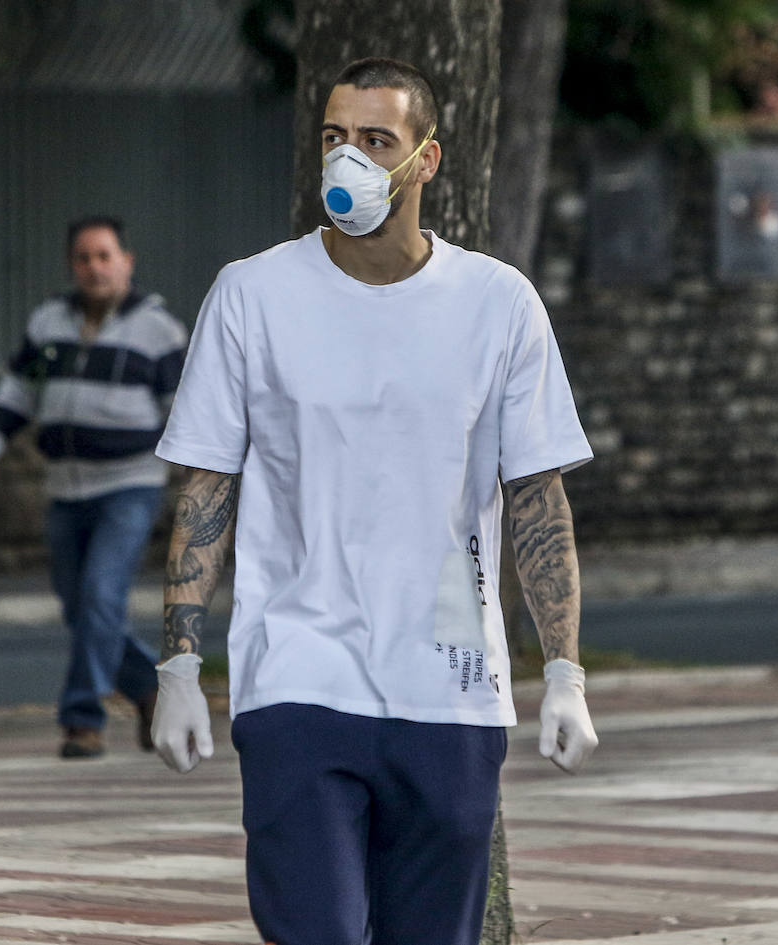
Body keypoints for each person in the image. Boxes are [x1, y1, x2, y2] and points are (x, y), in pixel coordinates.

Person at [149, 57, 599, 945]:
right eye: (333, 137)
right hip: (296, 678)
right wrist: (178, 664)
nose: (346, 159)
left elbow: (538, 497)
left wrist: (566, 673)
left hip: (450, 694)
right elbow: (208, 485)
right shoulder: (252, 294)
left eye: (374, 140)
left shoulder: (498, 304)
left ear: (424, 161)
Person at [0, 216, 188, 759]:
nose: (95, 267)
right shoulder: (49, 321)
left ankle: (82, 717)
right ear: (73, 265)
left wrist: (197, 481)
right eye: (84, 258)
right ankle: (147, 690)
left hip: (130, 485)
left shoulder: (159, 330)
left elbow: (184, 412)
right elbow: (19, 388)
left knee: (99, 596)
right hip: (65, 488)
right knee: (80, 607)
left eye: (105, 256)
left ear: (127, 261)